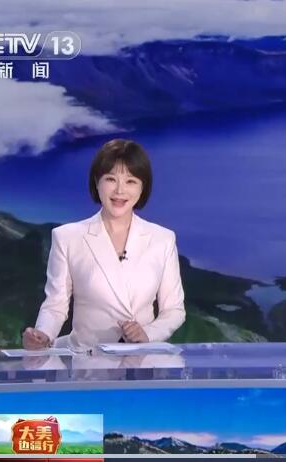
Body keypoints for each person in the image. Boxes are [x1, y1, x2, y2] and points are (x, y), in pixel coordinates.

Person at [22, 139, 185, 350]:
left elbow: (174, 310)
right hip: (88, 360)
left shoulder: (162, 239)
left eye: (131, 181)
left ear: (142, 187)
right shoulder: (67, 238)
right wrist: (42, 335)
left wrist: (148, 334)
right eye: (111, 179)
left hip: (142, 359)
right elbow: (55, 305)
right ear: (97, 182)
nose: (119, 191)